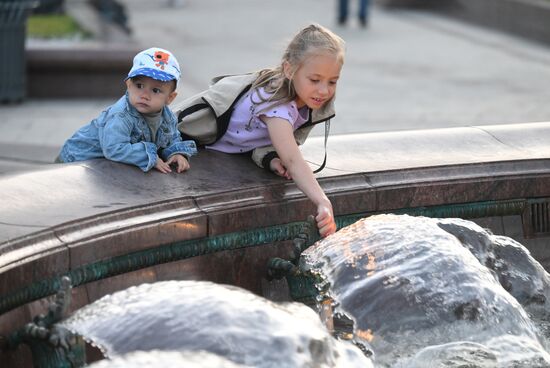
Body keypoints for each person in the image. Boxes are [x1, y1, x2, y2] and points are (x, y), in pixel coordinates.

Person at [204, 24, 345, 237]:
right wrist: (323, 201)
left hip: (234, 151)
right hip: (201, 148)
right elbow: (294, 162)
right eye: (315, 80)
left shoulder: (297, 93)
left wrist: (270, 156)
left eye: (332, 81)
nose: (324, 90)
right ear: (289, 70)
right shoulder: (276, 107)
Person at [57, 47, 197, 173]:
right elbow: (114, 148)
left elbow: (172, 137)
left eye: (155, 90)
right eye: (139, 86)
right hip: (76, 158)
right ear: (128, 85)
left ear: (170, 98)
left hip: (104, 163)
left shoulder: (168, 117)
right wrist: (150, 157)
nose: (144, 95)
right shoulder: (121, 116)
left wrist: (176, 153)